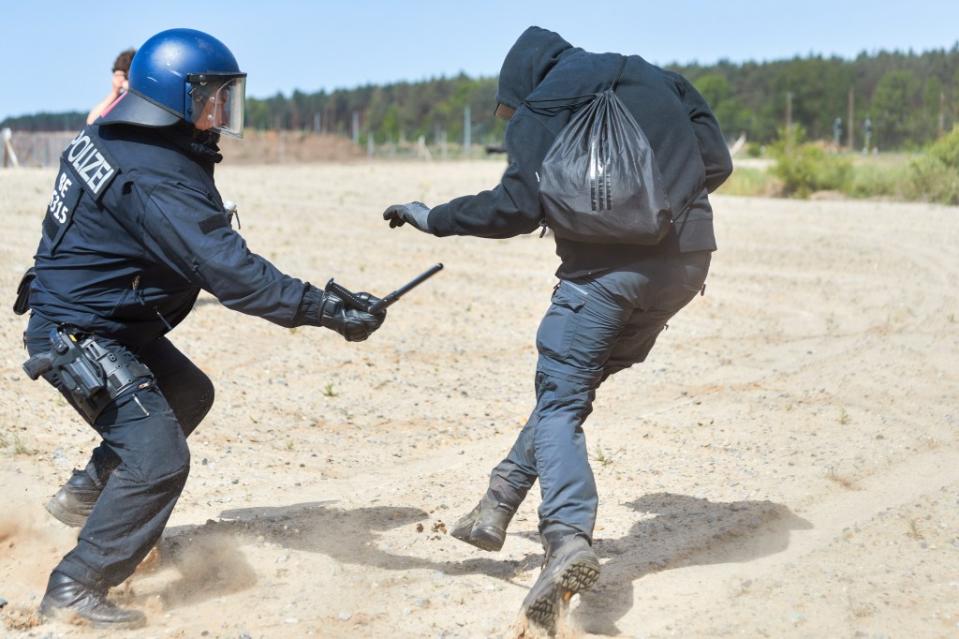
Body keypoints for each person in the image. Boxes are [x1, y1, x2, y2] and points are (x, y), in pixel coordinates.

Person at [21, 28, 386, 628]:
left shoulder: (114, 132)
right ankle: (75, 585)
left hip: (105, 318)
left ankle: (88, 491)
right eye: (210, 97)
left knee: (189, 392)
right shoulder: (153, 173)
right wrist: (324, 309)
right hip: (81, 333)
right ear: (171, 97)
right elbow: (229, 271)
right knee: (158, 460)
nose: (220, 111)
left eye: (225, 96)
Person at [383, 26, 732, 632]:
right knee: (566, 392)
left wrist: (432, 216)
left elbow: (514, 208)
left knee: (561, 402)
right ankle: (496, 502)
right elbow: (716, 163)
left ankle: (566, 537)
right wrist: (655, 204)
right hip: (684, 267)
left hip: (603, 276)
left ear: (521, 81)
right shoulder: (661, 78)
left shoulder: (544, 103)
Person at [86, 48, 136, 125]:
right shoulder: (116, 96)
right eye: (116, 76)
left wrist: (130, 89)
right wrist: (115, 92)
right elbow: (91, 121)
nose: (119, 79)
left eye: (124, 76)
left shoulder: (139, 93)